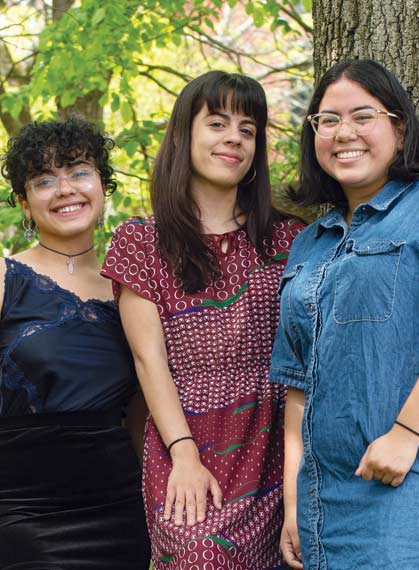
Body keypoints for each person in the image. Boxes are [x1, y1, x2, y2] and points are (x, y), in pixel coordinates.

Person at [270, 59, 419, 569]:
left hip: (415, 472)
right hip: (324, 492)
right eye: (328, 120)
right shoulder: (309, 245)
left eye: (363, 116)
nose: (344, 133)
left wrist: (405, 435)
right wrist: (295, 499)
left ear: (399, 129)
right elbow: (297, 384)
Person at [101, 71, 304, 569]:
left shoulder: (291, 240)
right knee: (199, 553)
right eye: (217, 123)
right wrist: (184, 455)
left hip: (279, 440)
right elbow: (149, 361)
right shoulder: (140, 242)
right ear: (184, 136)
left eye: (248, 129)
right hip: (187, 438)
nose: (233, 137)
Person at [0, 117, 150, 570]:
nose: (65, 189)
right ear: (23, 200)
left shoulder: (132, 286)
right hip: (17, 506)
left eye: (78, 171)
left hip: (115, 506)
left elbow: (139, 409)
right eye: (43, 180)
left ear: (102, 184)